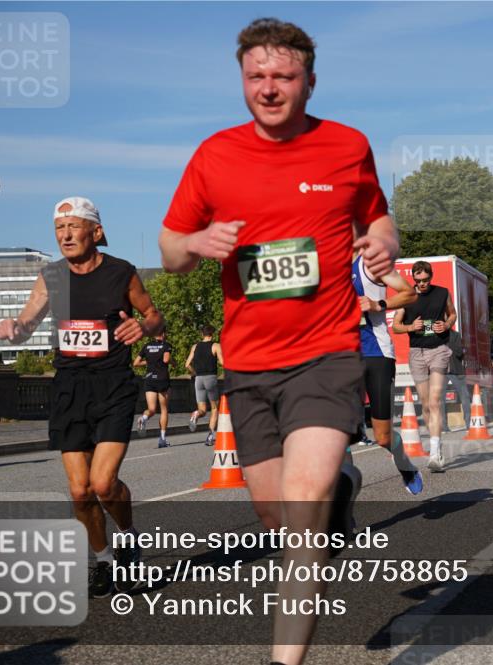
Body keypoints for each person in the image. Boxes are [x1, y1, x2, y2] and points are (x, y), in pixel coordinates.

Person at [158, 19, 398, 665]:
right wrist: (195, 245)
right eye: (256, 76)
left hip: (326, 354)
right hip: (249, 365)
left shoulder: (347, 146)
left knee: (301, 512)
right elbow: (169, 247)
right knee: (279, 519)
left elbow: (376, 213)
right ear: (242, 78)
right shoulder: (215, 155)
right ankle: (340, 490)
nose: (269, 89)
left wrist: (384, 242)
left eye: (283, 77)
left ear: (310, 81)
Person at [0, 196, 163, 598]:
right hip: (70, 387)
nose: (65, 235)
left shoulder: (122, 273)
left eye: (73, 226)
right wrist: (14, 329)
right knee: (79, 491)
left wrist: (144, 326)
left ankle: (127, 538)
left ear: (96, 232)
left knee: (104, 484)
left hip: (114, 385)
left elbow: (156, 316)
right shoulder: (51, 276)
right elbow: (27, 322)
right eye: (59, 229)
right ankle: (103, 560)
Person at [352, 248, 423, 493]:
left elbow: (408, 293)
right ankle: (344, 513)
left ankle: (405, 465)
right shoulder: (324, 266)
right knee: (342, 436)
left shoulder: (370, 263)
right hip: (341, 356)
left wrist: (377, 304)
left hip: (376, 352)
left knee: (382, 436)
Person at [392, 261, 456, 473]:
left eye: (425, 280)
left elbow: (452, 314)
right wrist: (411, 326)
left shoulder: (442, 293)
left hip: (438, 349)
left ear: (431, 276)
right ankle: (436, 445)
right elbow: (396, 326)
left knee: (435, 401)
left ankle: (435, 452)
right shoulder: (407, 297)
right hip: (416, 353)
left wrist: (445, 325)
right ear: (413, 279)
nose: (422, 284)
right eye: (418, 281)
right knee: (426, 404)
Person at [185, 325, 224, 445]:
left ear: (202, 334)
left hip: (198, 379)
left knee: (202, 409)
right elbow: (223, 363)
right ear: (212, 334)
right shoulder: (216, 346)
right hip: (210, 378)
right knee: (214, 408)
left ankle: (196, 414)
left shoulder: (195, 346)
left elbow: (187, 364)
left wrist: (195, 373)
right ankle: (210, 436)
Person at [134, 330, 172, 448]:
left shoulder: (147, 346)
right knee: (164, 409)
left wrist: (149, 361)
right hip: (162, 379)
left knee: (151, 409)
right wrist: (173, 361)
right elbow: (166, 360)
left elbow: (136, 363)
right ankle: (162, 439)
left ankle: (143, 418)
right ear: (164, 334)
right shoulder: (166, 345)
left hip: (150, 379)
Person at [443, 328, 472, 431]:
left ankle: (469, 424)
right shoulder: (434, 336)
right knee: (440, 400)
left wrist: (449, 349)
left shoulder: (455, 335)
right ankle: (443, 427)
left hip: (456, 370)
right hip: (441, 371)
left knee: (465, 396)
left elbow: (460, 352)